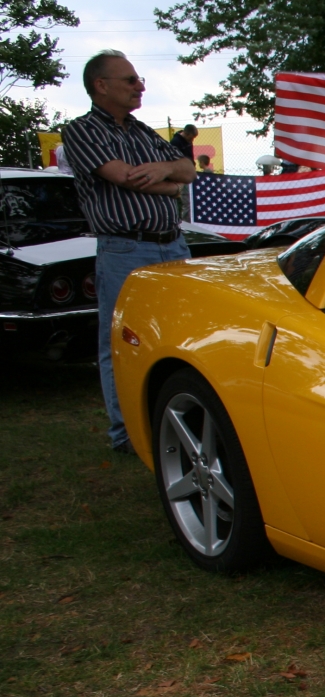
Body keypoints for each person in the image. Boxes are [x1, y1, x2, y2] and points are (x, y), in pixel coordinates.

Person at [59, 49, 195, 455]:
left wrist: (167, 171)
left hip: (172, 244)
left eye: (139, 79)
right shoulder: (81, 131)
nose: (140, 87)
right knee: (120, 342)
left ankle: (173, 419)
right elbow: (124, 177)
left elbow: (188, 169)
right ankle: (125, 434)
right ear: (101, 86)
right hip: (125, 249)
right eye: (130, 80)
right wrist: (170, 182)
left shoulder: (141, 131)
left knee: (179, 335)